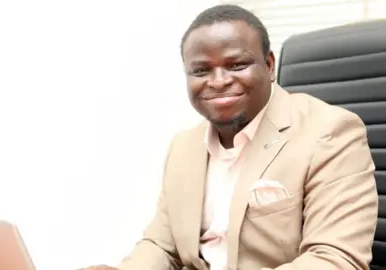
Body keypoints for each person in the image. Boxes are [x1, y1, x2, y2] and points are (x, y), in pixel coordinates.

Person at [79, 4, 378, 270]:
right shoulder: (184, 146)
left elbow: (335, 258)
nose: (219, 82)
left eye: (236, 65)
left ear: (270, 65)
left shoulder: (330, 133)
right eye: (201, 70)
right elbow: (162, 246)